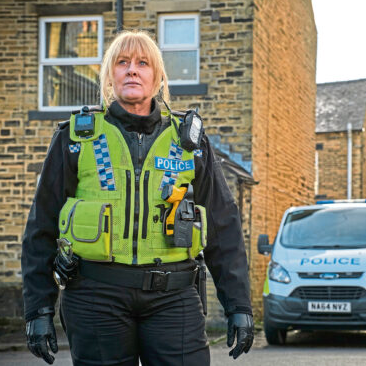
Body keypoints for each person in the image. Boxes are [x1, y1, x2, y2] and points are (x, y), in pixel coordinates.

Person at [21, 30, 254, 366]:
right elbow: (41, 226)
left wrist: (238, 305)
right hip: (95, 296)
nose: (132, 70)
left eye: (143, 63)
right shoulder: (74, 137)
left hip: (174, 298)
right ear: (109, 76)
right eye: (122, 62)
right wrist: (38, 309)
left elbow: (223, 224)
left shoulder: (189, 141)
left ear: (158, 78)